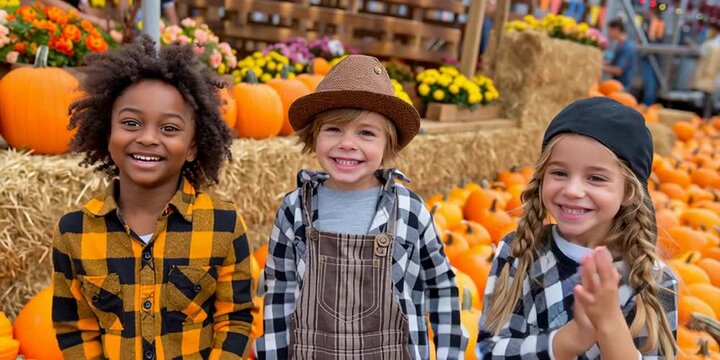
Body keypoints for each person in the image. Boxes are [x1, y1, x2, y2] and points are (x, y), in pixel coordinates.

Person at [51, 35, 254, 359]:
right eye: (130, 123)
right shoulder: (74, 233)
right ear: (108, 133)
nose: (147, 138)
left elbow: (237, 320)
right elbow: (75, 329)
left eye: (169, 129)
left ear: (192, 146)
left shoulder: (224, 225)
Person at [255, 55, 467, 359]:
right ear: (314, 136)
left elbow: (441, 289)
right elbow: (280, 292)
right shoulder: (295, 209)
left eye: (366, 133)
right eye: (334, 130)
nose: (347, 143)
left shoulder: (410, 210)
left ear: (388, 144)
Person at [477, 97, 678, 359]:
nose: (572, 190)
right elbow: (488, 351)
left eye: (595, 178)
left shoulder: (654, 279)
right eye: (559, 173)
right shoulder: (519, 252)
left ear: (629, 191)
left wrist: (609, 325)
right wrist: (571, 338)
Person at [691, 22, 720, 118]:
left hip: (709, 75)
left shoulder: (714, 44)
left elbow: (710, 59)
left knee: (708, 97)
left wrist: (709, 72)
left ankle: (706, 117)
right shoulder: (712, 43)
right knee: (707, 97)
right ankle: (705, 117)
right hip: (710, 75)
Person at [603, 19, 638, 91]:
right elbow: (614, 61)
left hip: (622, 87)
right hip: (617, 85)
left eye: (610, 31)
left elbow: (618, 70)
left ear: (616, 30)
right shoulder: (620, 45)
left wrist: (599, 67)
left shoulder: (627, 47)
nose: (608, 34)